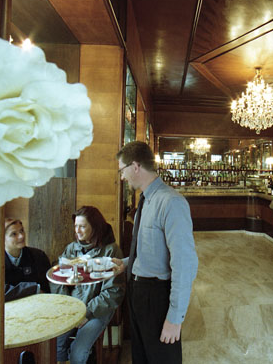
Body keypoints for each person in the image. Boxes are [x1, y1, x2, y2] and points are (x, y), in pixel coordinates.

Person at [114, 141, 198, 364]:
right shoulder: (145, 200)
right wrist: (125, 263)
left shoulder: (171, 202)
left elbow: (185, 265)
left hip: (157, 297)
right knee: (141, 357)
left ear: (135, 166)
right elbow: (150, 249)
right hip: (138, 293)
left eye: (122, 170)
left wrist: (175, 318)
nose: (122, 177)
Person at [53, 206, 125, 364]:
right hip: (72, 308)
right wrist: (67, 306)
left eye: (82, 226)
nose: (77, 231)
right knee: (55, 344)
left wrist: (87, 313)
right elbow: (58, 280)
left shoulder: (111, 252)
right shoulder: (72, 249)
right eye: (76, 226)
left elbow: (113, 292)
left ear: (95, 227)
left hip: (97, 310)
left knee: (78, 352)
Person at [3, 218, 51, 302]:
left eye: (21, 231)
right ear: (2, 239)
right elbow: (0, 291)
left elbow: (46, 289)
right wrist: (33, 288)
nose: (21, 236)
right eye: (14, 234)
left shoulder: (39, 256)